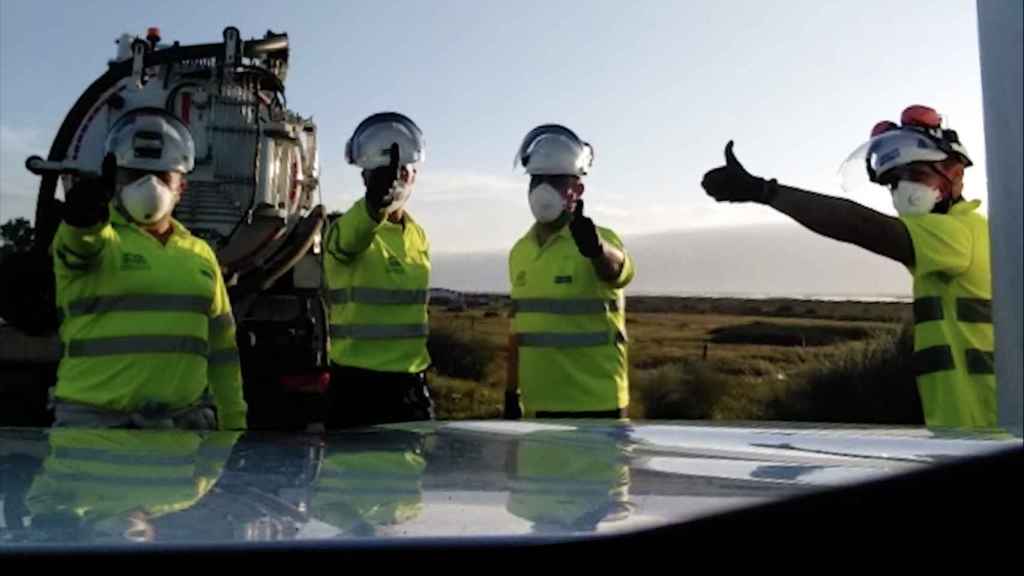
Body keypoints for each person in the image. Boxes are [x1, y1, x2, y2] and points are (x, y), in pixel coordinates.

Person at [701, 104, 993, 428]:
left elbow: (860, 226)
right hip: (960, 429)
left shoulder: (961, 235)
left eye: (917, 175)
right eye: (894, 182)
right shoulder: (948, 241)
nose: (903, 189)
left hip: (985, 428)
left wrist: (766, 192)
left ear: (955, 173)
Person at [51, 107, 246, 430]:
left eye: (161, 176)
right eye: (134, 174)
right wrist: (82, 217)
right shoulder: (97, 239)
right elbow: (78, 245)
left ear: (181, 187)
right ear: (114, 179)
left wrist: (234, 423)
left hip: (178, 442)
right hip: (93, 435)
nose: (148, 185)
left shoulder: (200, 255)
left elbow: (223, 350)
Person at [506, 124, 636, 419]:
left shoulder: (603, 239)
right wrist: (510, 393)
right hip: (537, 407)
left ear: (577, 189)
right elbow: (517, 332)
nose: (542, 189)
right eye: (536, 179)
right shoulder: (520, 252)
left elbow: (617, 270)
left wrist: (596, 249)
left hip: (598, 406)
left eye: (554, 180)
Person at [322, 112, 433, 428]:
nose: (395, 179)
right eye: (382, 173)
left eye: (402, 171)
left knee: (409, 473)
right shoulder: (343, 229)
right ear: (364, 178)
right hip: (357, 388)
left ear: (414, 175)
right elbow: (348, 242)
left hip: (410, 385)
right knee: (350, 476)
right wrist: (374, 206)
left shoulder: (418, 236)